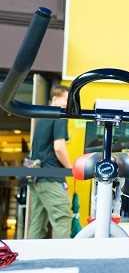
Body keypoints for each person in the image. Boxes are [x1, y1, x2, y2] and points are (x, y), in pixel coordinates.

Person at [27, 85, 72, 239]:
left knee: (38, 222)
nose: (68, 103)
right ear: (55, 98)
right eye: (66, 99)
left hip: (36, 176)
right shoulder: (59, 115)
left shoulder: (42, 118)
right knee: (62, 217)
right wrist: (70, 169)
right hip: (50, 176)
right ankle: (61, 254)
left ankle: (30, 253)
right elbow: (59, 147)